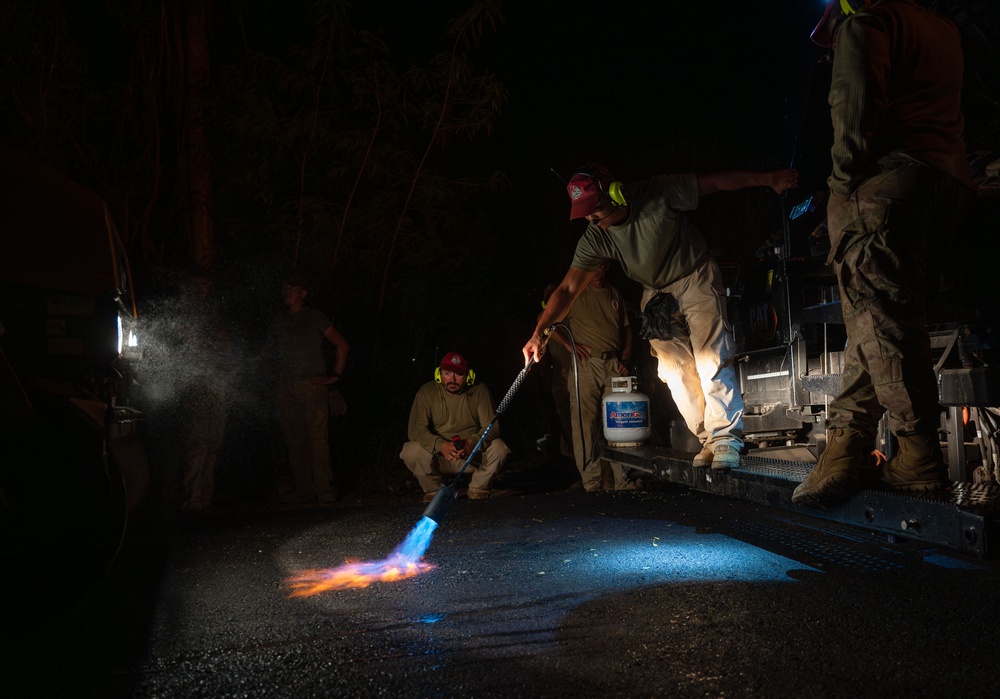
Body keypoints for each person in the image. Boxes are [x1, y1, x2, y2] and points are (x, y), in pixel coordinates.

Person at [792, 0, 976, 508]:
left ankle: (917, 457)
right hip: (945, 183)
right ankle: (846, 449)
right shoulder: (939, 25)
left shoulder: (865, 23)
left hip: (886, 185)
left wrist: (841, 186)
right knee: (873, 323)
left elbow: (853, 108)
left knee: (884, 327)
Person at [523, 163, 798, 470]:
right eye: (585, 213)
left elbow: (715, 180)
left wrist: (766, 178)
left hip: (694, 275)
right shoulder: (596, 235)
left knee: (710, 357)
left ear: (614, 192)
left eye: (595, 209)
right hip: (655, 293)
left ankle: (725, 438)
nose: (592, 218)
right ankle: (709, 439)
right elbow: (568, 289)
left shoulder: (656, 193)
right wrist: (540, 332)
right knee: (674, 371)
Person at [263, 277, 349, 505]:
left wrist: (335, 376)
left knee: (317, 440)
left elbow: (342, 344)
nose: (287, 291)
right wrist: (271, 375)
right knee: (295, 440)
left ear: (304, 292)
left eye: (292, 288)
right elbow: (265, 353)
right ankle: (305, 491)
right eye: (285, 287)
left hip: (312, 386)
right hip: (286, 388)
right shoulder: (279, 321)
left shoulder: (314, 316)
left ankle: (324, 491)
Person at [550, 261, 634, 491]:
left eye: (602, 265)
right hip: (587, 364)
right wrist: (569, 345)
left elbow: (627, 328)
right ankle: (592, 480)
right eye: (594, 265)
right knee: (585, 424)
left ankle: (621, 479)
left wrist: (625, 359)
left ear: (607, 267)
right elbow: (547, 321)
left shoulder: (613, 292)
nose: (598, 270)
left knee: (619, 422)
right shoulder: (576, 293)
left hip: (612, 362)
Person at [400, 352, 511, 501]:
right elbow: (415, 430)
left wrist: (471, 443)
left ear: (468, 375)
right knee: (410, 450)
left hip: (471, 456)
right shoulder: (426, 392)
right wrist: (441, 445)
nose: (452, 379)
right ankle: (433, 492)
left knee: (499, 447)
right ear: (439, 374)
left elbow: (493, 427)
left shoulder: (480, 390)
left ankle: (478, 490)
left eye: (458, 374)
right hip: (439, 458)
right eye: (447, 373)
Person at [179, 268, 232, 513]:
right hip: (197, 382)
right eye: (198, 286)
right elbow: (190, 343)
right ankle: (193, 498)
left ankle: (205, 497)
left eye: (206, 286)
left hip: (217, 380)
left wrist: (211, 344)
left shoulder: (215, 314)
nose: (203, 290)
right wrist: (208, 344)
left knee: (214, 441)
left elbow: (226, 345)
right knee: (198, 440)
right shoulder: (185, 313)